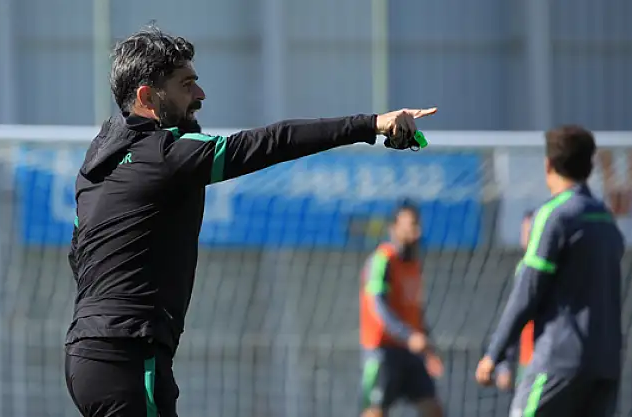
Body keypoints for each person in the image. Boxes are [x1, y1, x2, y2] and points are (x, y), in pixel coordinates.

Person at [63, 25, 438, 417]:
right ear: (147, 97)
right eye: (186, 84)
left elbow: (79, 255)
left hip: (88, 353)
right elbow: (274, 141)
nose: (200, 95)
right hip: (128, 355)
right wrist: (371, 124)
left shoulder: (95, 165)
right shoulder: (167, 154)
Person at [475, 125, 624, 417]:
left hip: (560, 362)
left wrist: (494, 353)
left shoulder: (554, 215)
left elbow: (527, 293)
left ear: (548, 165)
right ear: (589, 166)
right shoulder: (605, 218)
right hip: (606, 365)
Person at [359, 200, 444, 417]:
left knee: (432, 407)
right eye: (410, 225)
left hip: (410, 351)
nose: (416, 232)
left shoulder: (414, 265)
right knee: (376, 411)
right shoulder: (382, 260)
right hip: (383, 350)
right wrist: (408, 335)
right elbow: (378, 306)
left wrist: (428, 349)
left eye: (417, 225)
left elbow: (416, 311)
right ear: (394, 229)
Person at [494, 210, 536, 392]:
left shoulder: (545, 267)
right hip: (527, 359)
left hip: (545, 361)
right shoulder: (523, 266)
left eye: (531, 230)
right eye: (523, 230)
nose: (526, 235)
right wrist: (505, 362)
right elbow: (516, 315)